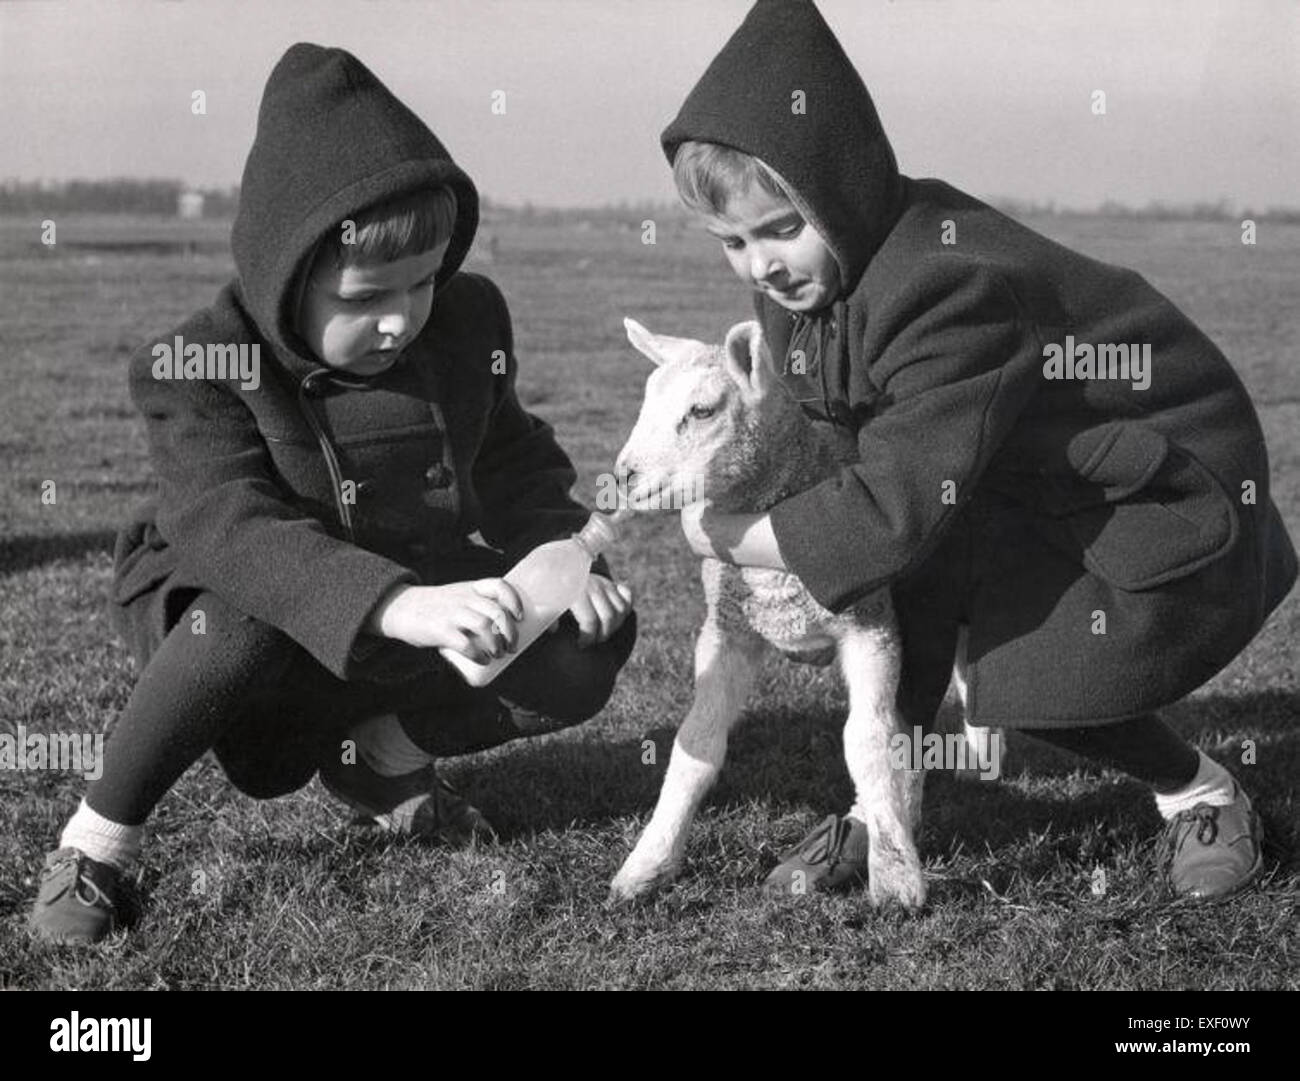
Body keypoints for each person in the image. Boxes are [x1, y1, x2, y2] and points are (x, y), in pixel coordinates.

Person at [661, 0, 1295, 899]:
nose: (761, 264)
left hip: (1147, 471)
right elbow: (863, 459)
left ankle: (1199, 789)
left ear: (841, 187)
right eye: (733, 241)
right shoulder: (806, 289)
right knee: (910, 597)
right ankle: (884, 818)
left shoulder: (943, 287)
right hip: (1007, 470)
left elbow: (892, 506)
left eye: (779, 228)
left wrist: (726, 534)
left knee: (1044, 674)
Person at [30, 43, 636, 944]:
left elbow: (513, 458)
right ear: (287, 273)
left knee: (592, 640)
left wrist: (558, 553)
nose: (403, 317)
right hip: (247, 608)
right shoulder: (199, 359)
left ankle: (385, 763)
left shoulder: (471, 324)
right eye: (368, 294)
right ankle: (94, 844)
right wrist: (400, 607)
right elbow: (231, 529)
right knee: (229, 621)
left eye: (424, 281)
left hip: (418, 588)